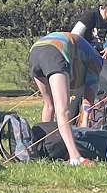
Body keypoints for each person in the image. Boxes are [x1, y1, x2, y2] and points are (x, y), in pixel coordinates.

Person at [27, 31, 96, 165]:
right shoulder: (97, 60)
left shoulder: (83, 50)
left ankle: (43, 148)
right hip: (55, 52)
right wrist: (84, 123)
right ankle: (75, 157)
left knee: (49, 105)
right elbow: (89, 95)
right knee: (63, 110)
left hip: (35, 51)